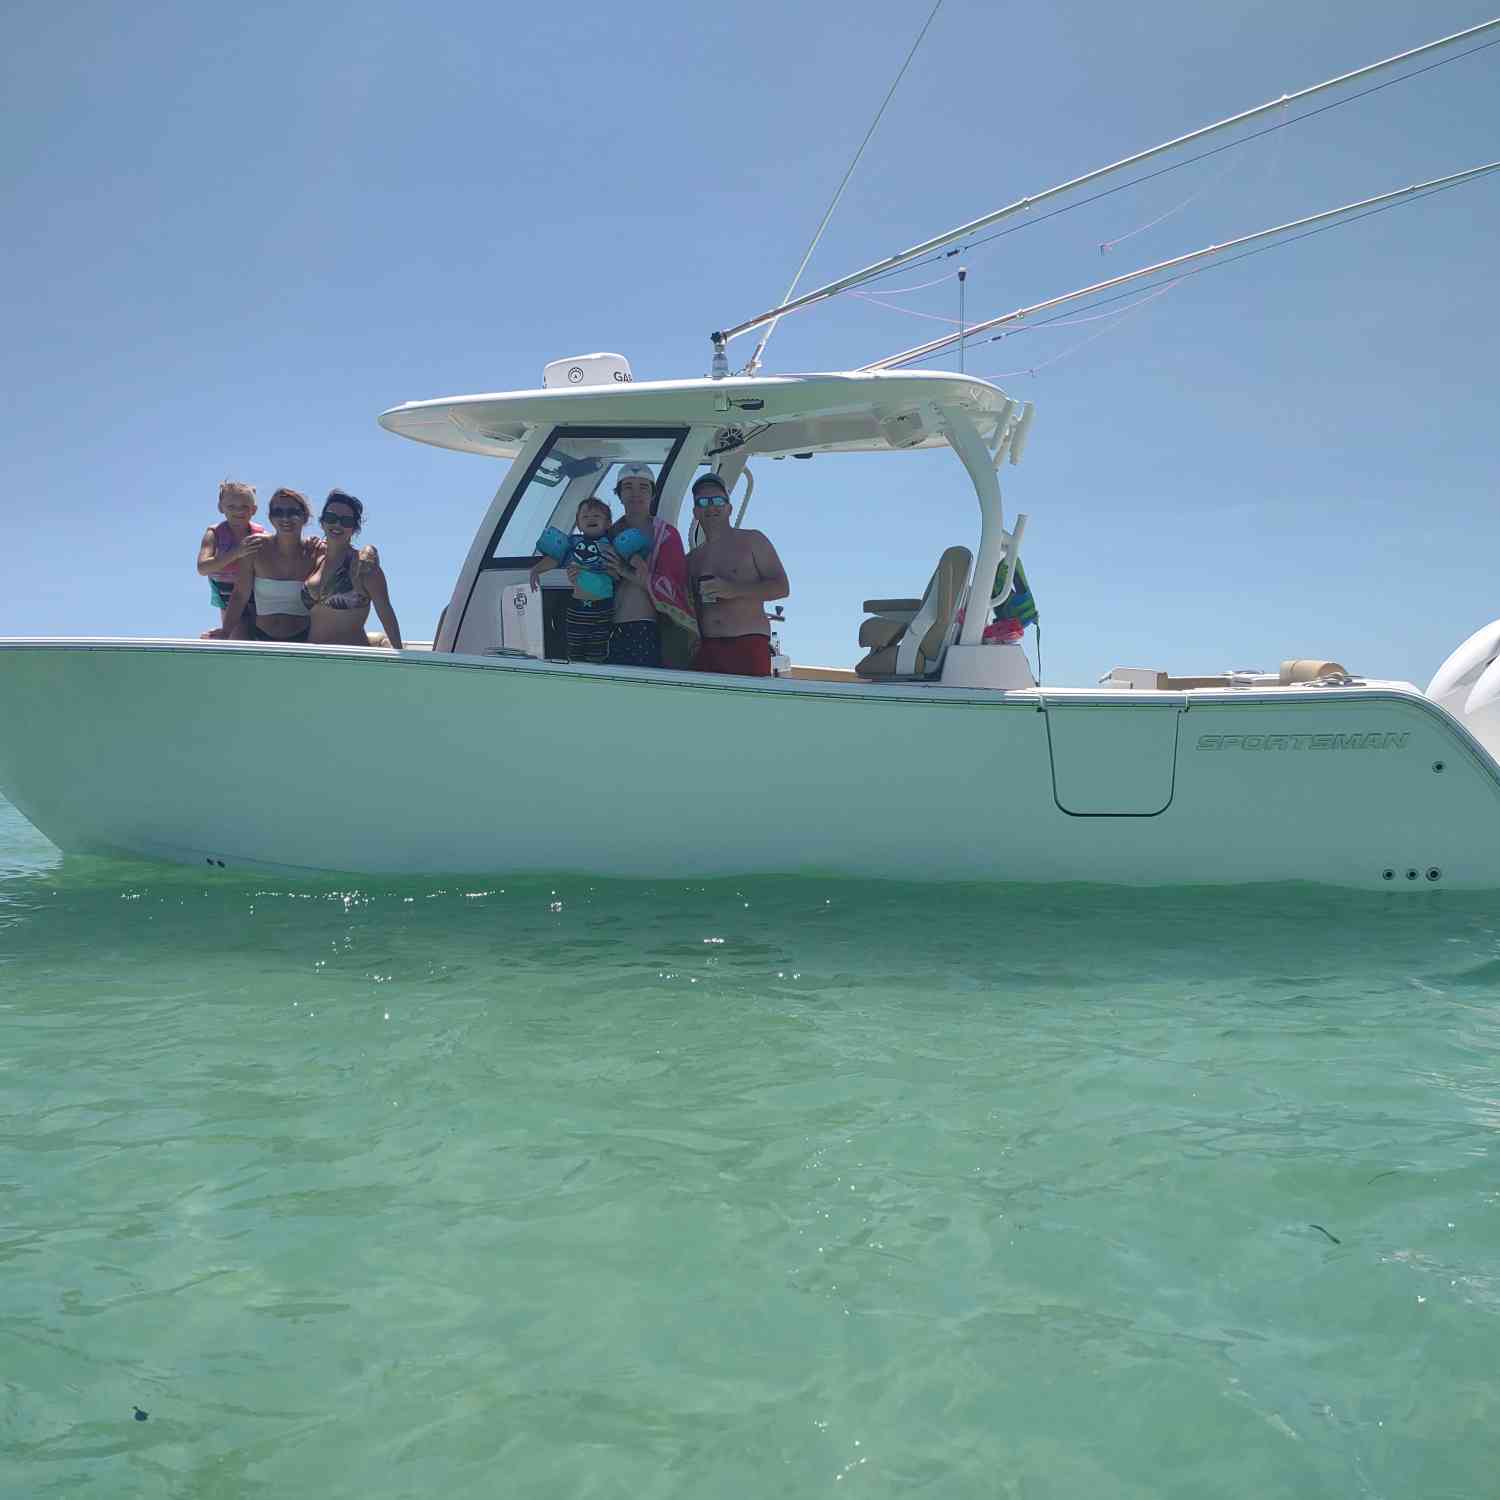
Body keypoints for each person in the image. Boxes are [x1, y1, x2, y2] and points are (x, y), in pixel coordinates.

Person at [686, 472, 789, 676]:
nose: (711, 506)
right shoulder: (691, 559)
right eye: (703, 502)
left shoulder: (752, 541)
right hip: (706, 649)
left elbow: (782, 587)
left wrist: (732, 590)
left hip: (748, 644)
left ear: (729, 508)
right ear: (696, 512)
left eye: (717, 500)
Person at [599, 463, 698, 668]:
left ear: (653, 493)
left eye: (643, 487)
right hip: (605, 629)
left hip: (647, 629)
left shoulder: (667, 534)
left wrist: (625, 571)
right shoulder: (607, 533)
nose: (636, 493)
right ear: (619, 494)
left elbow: (676, 587)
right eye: (628, 487)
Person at [303, 490, 403, 649]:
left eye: (346, 521)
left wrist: (402, 658)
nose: (337, 524)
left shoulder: (365, 566)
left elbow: (386, 612)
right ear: (322, 522)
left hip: (351, 661)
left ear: (354, 529)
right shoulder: (313, 559)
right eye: (331, 518)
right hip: (312, 660)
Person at [222, 488, 322, 642]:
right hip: (262, 639)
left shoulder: (316, 551)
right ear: (270, 517)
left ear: (305, 516)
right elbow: (240, 596)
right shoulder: (254, 547)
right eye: (278, 512)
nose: (285, 518)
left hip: (305, 641)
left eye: (292, 512)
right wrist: (225, 631)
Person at [529, 497, 616, 663]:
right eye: (585, 516)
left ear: (608, 524)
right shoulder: (572, 543)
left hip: (602, 609)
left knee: (598, 650)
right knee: (574, 649)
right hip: (576, 608)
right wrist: (537, 569)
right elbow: (556, 557)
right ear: (578, 524)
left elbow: (617, 571)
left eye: (596, 516)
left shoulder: (611, 546)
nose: (590, 519)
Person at [196, 480, 267, 638]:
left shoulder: (260, 533)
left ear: (254, 510)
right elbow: (202, 567)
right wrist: (236, 553)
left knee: (257, 630)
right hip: (225, 590)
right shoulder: (214, 534)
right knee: (238, 632)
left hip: (254, 589)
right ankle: (224, 635)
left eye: (244, 507)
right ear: (221, 508)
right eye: (231, 507)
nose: (238, 511)